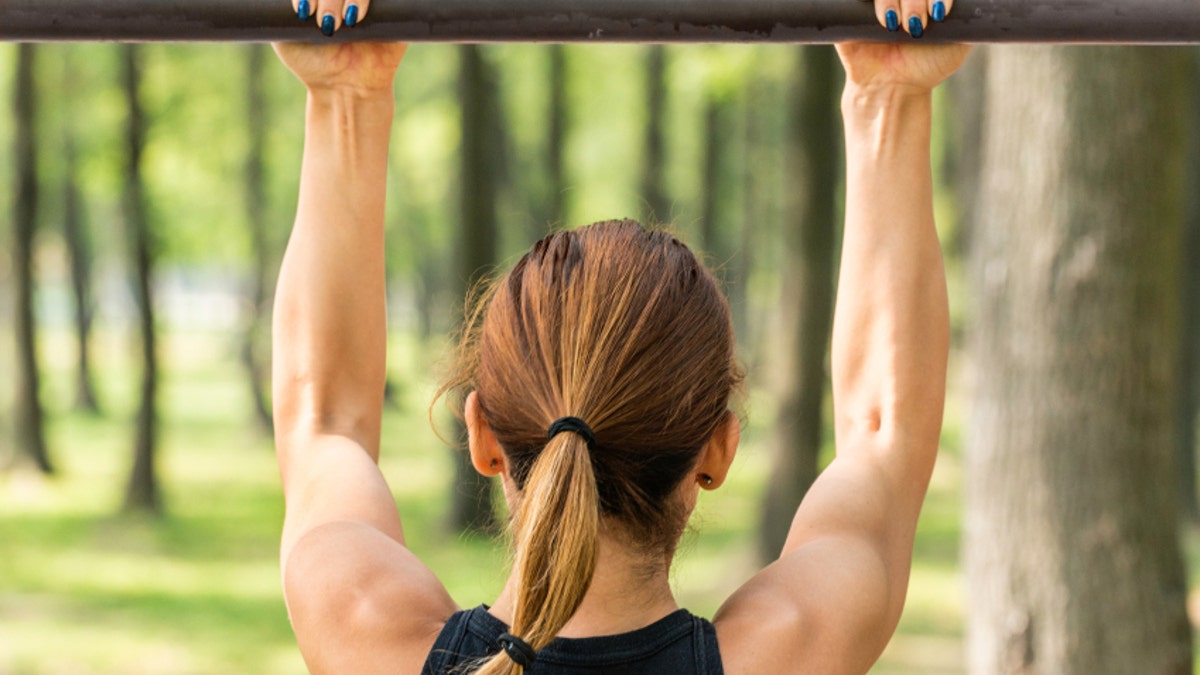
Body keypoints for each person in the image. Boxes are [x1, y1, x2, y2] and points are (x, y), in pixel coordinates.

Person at [271, 0, 969, 671]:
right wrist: (886, 95)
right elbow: (884, 430)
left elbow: (324, 417)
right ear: (719, 450)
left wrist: (346, 95)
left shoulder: (364, 629)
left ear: (480, 435)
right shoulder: (791, 648)